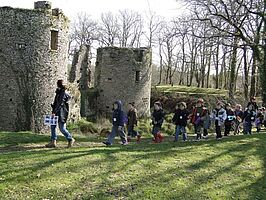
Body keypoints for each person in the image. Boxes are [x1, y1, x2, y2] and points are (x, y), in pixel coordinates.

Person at [45, 80, 75, 148]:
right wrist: (53, 109)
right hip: (56, 112)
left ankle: (70, 139)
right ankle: (53, 141)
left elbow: (60, 104)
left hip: (61, 113)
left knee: (62, 128)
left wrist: (54, 112)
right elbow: (56, 103)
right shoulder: (59, 92)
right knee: (53, 126)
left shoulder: (63, 93)